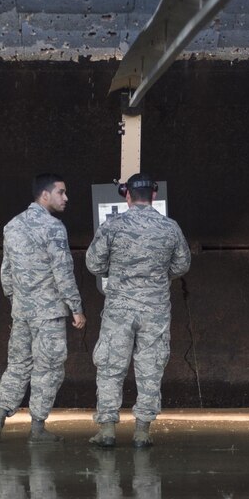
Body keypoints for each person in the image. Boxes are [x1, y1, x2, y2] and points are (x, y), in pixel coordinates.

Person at [86, 173, 190, 449]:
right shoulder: (170, 227)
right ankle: (142, 431)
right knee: (150, 368)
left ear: (127, 195)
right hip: (155, 310)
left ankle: (107, 429)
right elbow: (181, 266)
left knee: (110, 366)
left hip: (119, 309)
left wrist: (118, 273)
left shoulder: (112, 226)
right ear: (154, 195)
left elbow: (94, 264)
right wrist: (157, 277)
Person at [0, 172, 86, 444]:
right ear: (45, 195)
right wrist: (76, 308)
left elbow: (6, 272)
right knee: (48, 369)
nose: (66, 198)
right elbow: (63, 271)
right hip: (49, 313)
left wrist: (16, 302)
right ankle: (37, 429)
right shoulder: (53, 227)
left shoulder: (12, 226)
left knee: (17, 366)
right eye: (61, 192)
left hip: (22, 312)